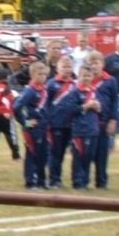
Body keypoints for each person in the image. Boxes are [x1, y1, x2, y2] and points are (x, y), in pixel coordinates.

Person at [76, 53, 119, 188]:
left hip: (103, 122)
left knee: (102, 154)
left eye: (96, 63)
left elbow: (115, 102)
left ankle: (101, 181)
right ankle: (83, 180)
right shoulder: (84, 81)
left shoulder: (110, 80)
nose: (93, 66)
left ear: (103, 64)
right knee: (87, 153)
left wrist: (113, 120)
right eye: (90, 63)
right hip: (87, 123)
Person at [42, 55, 81, 189]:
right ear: (57, 69)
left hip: (69, 124)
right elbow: (45, 103)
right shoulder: (51, 84)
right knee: (55, 152)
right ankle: (53, 180)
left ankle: (58, 178)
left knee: (63, 152)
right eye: (64, 67)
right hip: (55, 124)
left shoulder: (75, 85)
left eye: (69, 67)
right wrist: (47, 120)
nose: (67, 69)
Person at [13, 61, 52, 190]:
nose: (42, 77)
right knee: (32, 154)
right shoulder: (30, 90)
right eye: (39, 74)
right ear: (32, 75)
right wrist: (25, 121)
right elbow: (17, 107)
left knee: (43, 155)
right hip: (33, 128)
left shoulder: (44, 89)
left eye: (44, 74)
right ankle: (30, 181)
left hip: (43, 127)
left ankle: (41, 180)